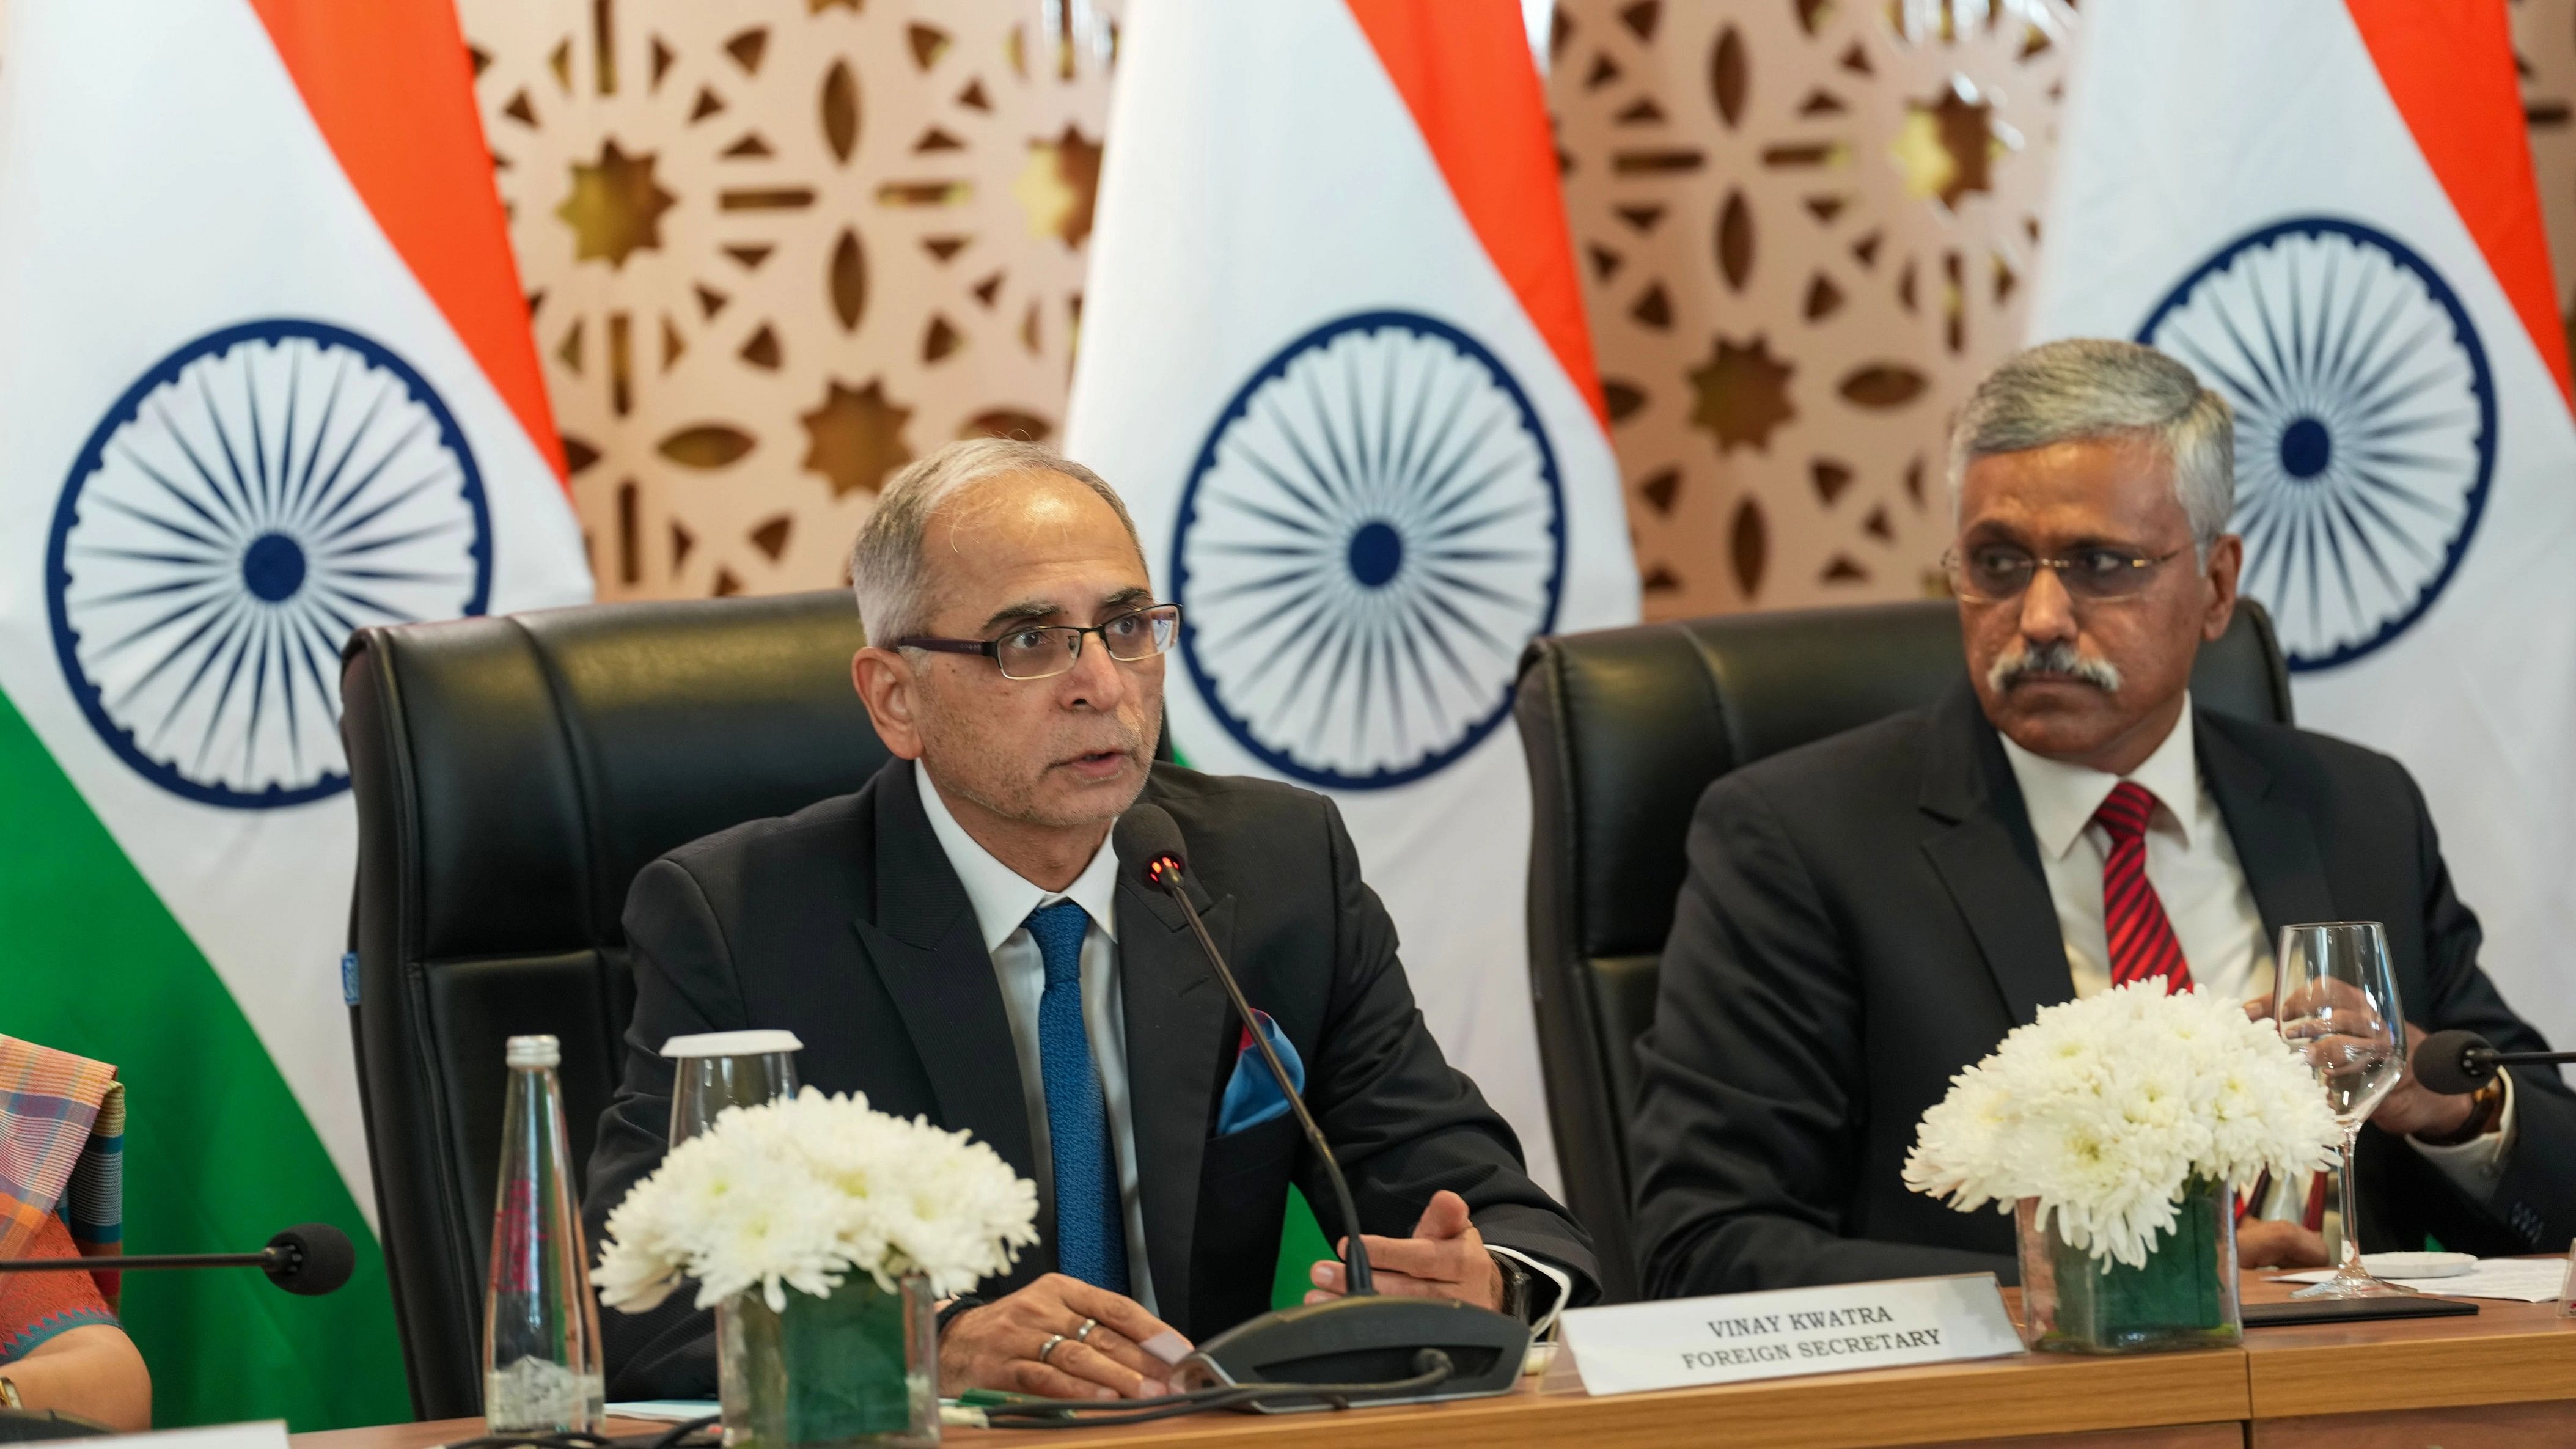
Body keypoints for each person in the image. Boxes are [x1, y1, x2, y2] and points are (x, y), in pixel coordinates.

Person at [584, 439, 1595, 1401]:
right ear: (896, 699)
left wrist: (1489, 1284)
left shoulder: (1280, 867)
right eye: (1030, 642)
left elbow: (1485, 1205)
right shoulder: (743, 920)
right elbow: (649, 1306)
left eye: (1125, 629)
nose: (1103, 688)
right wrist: (929, 1345)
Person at [1630, 339, 2576, 1297]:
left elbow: (2561, 1183)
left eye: (2099, 564)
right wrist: (2128, 1281)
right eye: (1998, 562)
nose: (2039, 615)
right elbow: (1706, 1246)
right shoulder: (1801, 841)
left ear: (2214, 586)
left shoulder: (2356, 811)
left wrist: (2460, 1115)